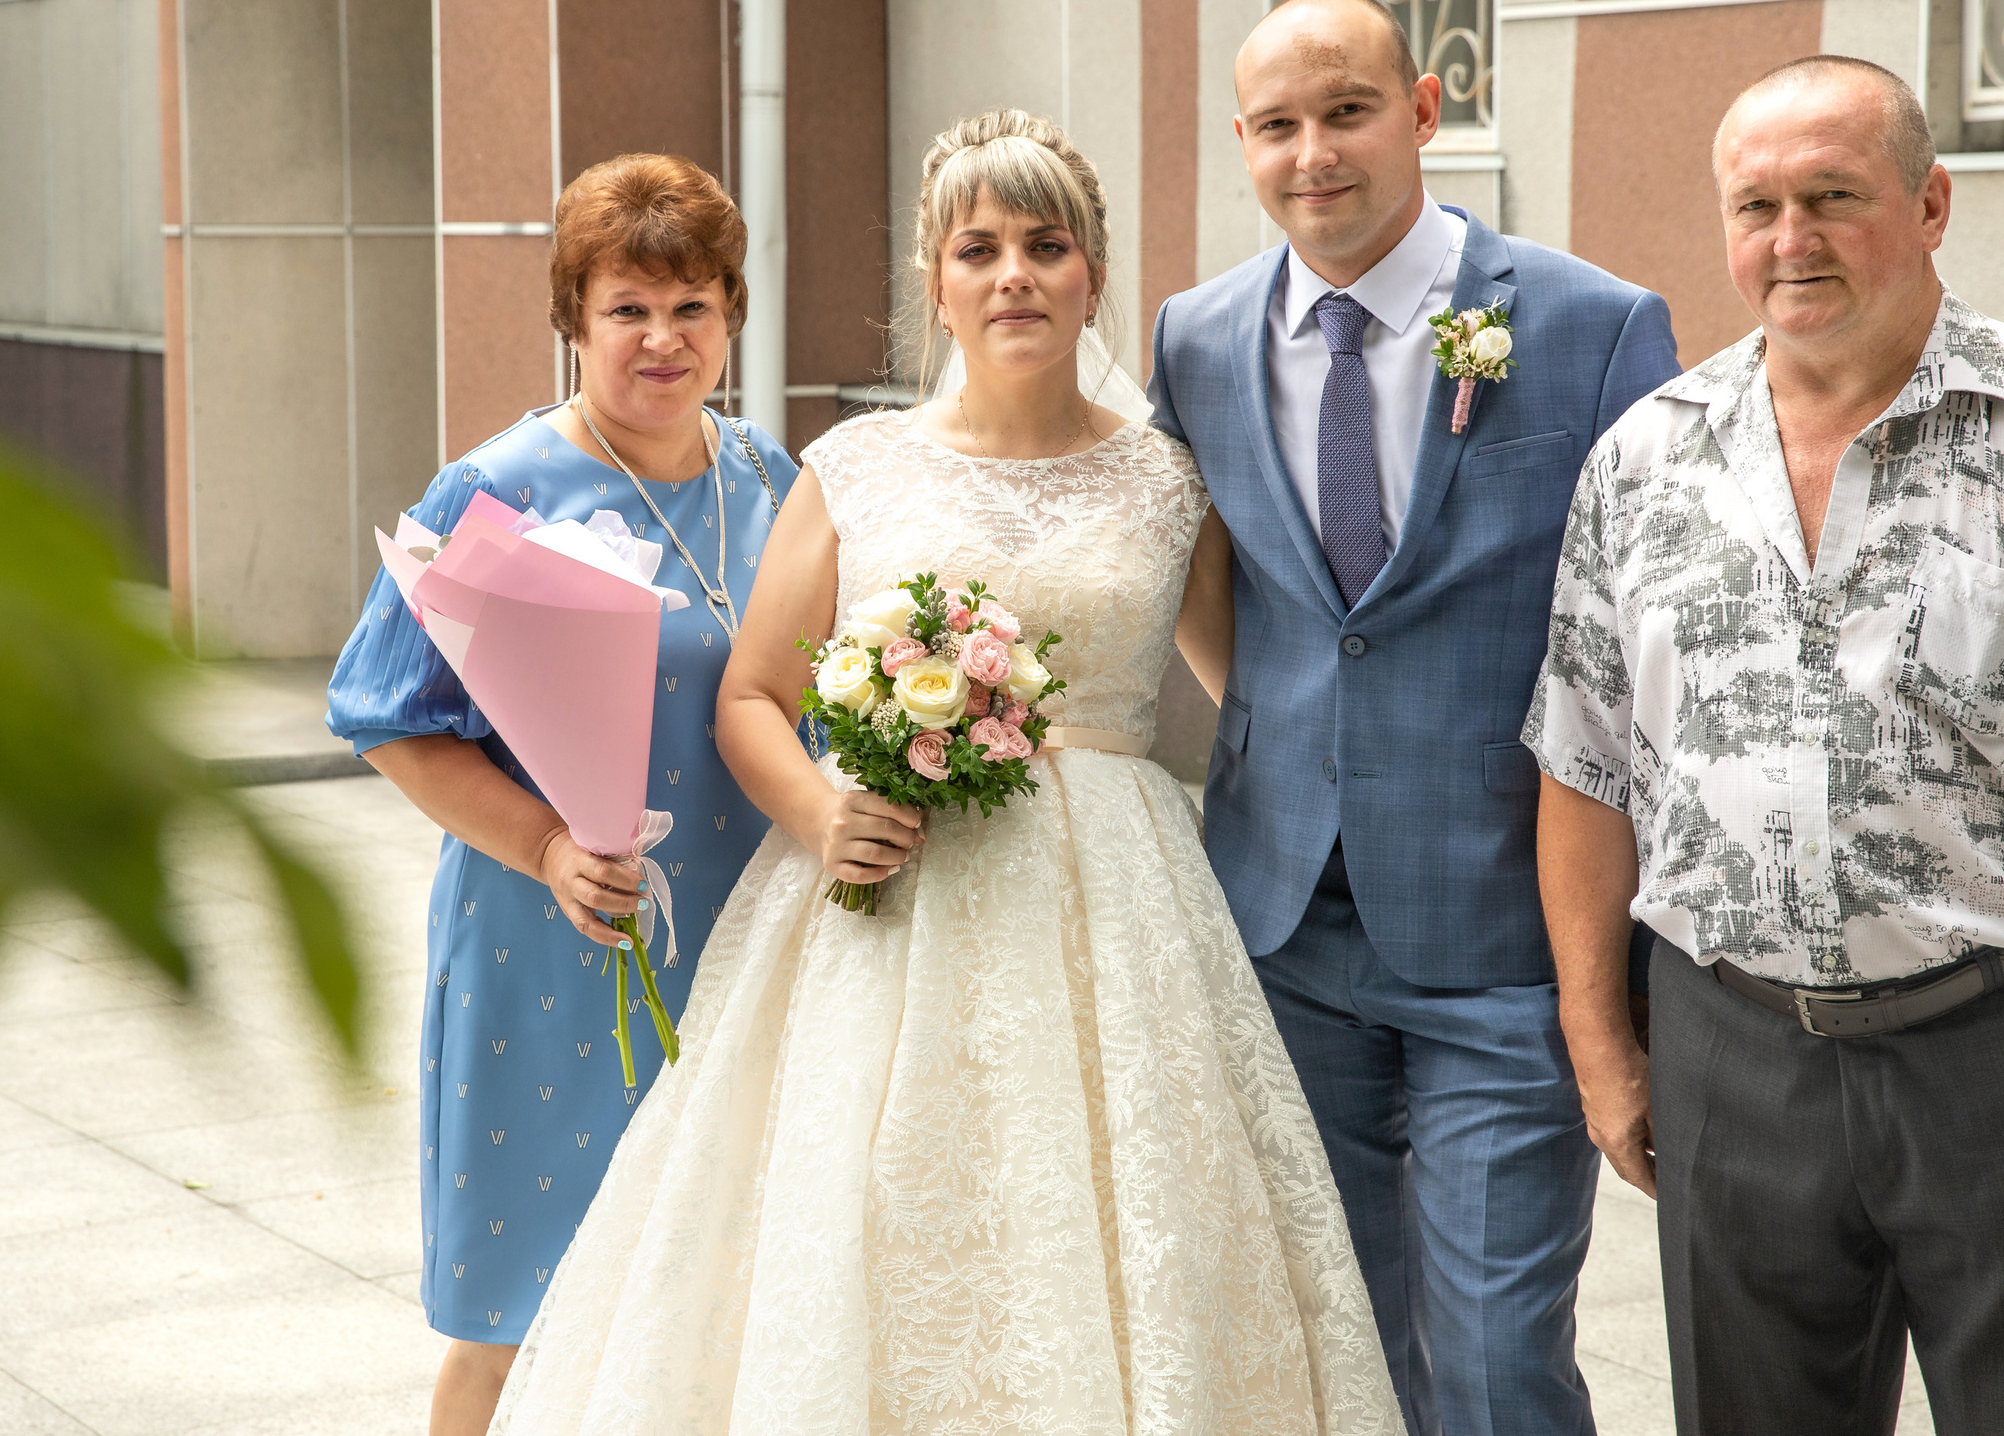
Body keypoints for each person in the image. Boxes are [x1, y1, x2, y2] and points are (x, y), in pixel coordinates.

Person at [483, 109, 1402, 1435]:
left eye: (1046, 244)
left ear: (1092, 273)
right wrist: (821, 808)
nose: (1014, 274)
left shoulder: (1168, 480)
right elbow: (753, 693)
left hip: (1120, 921)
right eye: (979, 249)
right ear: (937, 282)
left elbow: (1260, 690)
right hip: (887, 903)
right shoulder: (857, 466)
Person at [1528, 55, 2004, 1434]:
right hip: (1731, 1048)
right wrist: (1601, 1041)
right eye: (1755, 206)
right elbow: (1586, 765)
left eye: (1833, 196)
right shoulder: (1643, 461)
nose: (1789, 239)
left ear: (1929, 203)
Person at [1145, 0, 1678, 1436]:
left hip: (1506, 928)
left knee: (1497, 1361)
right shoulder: (1196, 338)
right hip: (1283, 922)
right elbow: (1212, 587)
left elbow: (1656, 645)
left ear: (1426, 109)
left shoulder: (1591, 325)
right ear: (1242, 142)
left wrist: (1629, 961)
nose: (1312, 153)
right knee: (1336, 1344)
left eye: (1348, 111)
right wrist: (1299, 738)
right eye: (1276, 125)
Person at [324, 153, 798, 1436]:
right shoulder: (496, 489)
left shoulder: (773, 479)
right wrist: (541, 843)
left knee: (714, 1297)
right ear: (572, 319)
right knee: (521, 1310)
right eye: (627, 308)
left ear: (732, 311)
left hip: (745, 939)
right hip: (550, 940)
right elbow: (382, 719)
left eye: (691, 305)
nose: (663, 338)